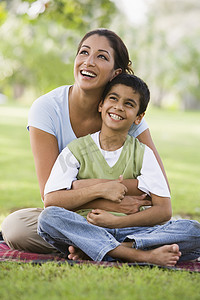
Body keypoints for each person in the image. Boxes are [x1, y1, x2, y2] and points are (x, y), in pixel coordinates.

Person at [2, 28, 168, 253]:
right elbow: (50, 196)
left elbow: (157, 189)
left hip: (125, 218)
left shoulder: (125, 112)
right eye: (84, 52)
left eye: (101, 56)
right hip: (72, 218)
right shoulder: (47, 109)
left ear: (116, 72)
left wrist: (79, 186)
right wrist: (106, 196)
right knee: (16, 227)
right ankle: (123, 249)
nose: (88, 62)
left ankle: (92, 247)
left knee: (185, 230)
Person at [37, 73, 200, 266]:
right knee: (49, 218)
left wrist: (116, 223)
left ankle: (106, 249)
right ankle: (139, 255)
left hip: (133, 231)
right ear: (101, 105)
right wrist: (100, 189)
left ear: (139, 117)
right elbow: (52, 201)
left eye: (129, 104)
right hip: (87, 228)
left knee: (193, 230)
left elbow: (164, 210)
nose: (118, 107)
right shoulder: (75, 150)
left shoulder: (143, 154)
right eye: (113, 99)